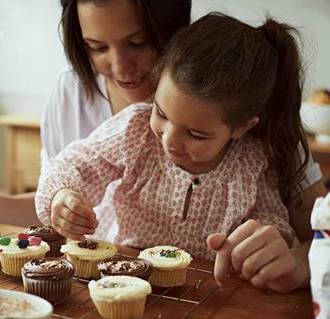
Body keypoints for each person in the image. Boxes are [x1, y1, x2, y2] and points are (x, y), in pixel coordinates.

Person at [35, 12, 327, 293]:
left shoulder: (254, 163)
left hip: (204, 293)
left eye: (196, 134)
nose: (170, 140)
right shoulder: (134, 130)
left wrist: (258, 253)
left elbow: (274, 225)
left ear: (241, 127)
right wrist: (62, 196)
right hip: (116, 281)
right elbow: (73, 165)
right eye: (161, 113)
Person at [0, 0, 192, 226]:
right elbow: (49, 206)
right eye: (98, 47)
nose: (119, 68)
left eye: (137, 43)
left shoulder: (209, 98)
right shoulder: (70, 91)